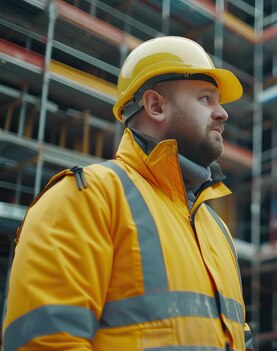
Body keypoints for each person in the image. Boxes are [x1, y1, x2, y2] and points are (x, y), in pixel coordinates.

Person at [2, 36, 253, 351]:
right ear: (155, 106)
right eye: (206, 99)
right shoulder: (86, 197)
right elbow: (45, 343)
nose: (223, 114)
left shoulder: (217, 230)